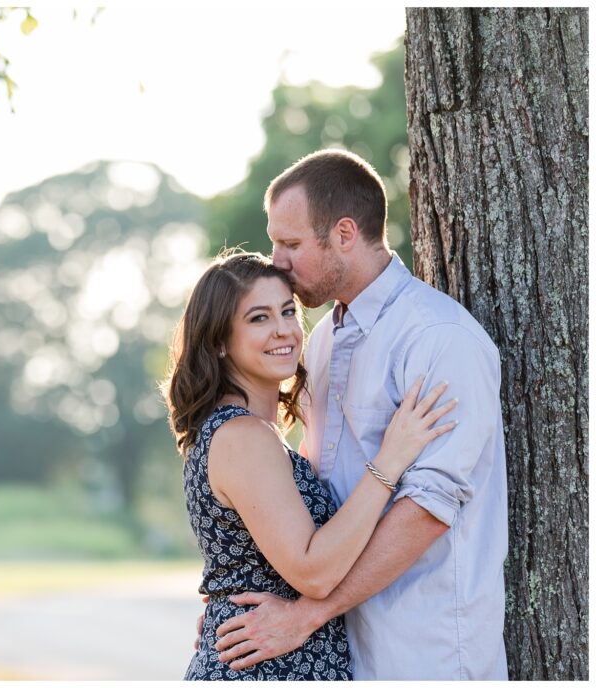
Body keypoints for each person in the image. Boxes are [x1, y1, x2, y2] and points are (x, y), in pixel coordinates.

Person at [211, 149, 509, 680]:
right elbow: (306, 488)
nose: (276, 260)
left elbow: (427, 510)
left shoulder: (438, 339)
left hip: (426, 649)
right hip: (342, 650)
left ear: (344, 234)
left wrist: (308, 615)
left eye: (291, 244)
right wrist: (231, 612)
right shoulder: (321, 341)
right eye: (275, 241)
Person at [163, 249, 457, 680]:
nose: (284, 330)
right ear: (220, 342)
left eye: (287, 311)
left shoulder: (252, 435)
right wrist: (389, 462)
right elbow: (314, 573)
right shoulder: (243, 437)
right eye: (258, 318)